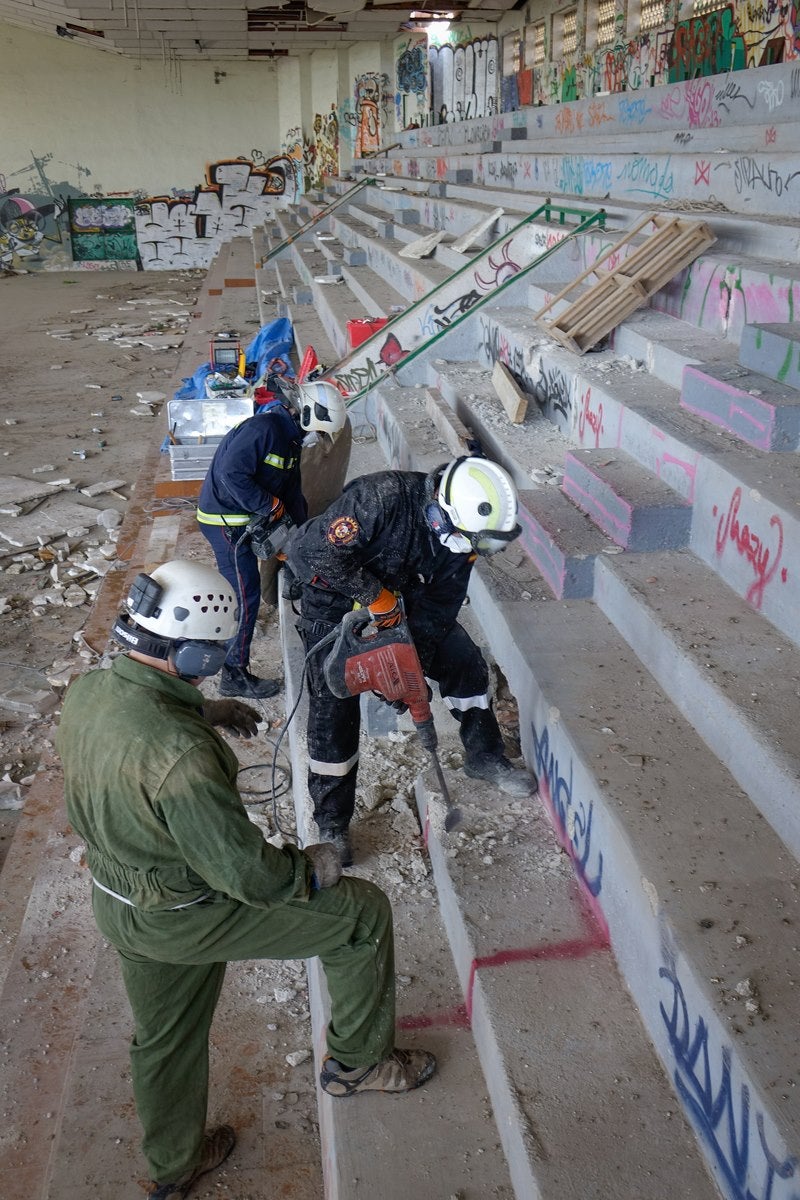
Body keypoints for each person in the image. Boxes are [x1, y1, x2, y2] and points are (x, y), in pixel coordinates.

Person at [56, 559, 436, 1200]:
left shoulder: (89, 693)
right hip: (184, 911)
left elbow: (137, 725)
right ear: (199, 656)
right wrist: (308, 871)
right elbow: (246, 875)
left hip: (120, 902)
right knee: (362, 915)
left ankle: (174, 1167)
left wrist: (201, 712)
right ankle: (358, 1063)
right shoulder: (184, 763)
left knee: (165, 1037)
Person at [285, 456, 538, 866]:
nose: (477, 549)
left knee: (465, 663)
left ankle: (485, 756)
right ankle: (332, 822)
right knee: (333, 709)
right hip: (331, 604)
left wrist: (408, 666)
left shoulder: (464, 538)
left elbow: (441, 604)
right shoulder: (382, 498)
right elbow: (313, 554)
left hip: (404, 603)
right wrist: (377, 599)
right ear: (445, 512)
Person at [197, 380, 347, 699]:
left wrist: (302, 539)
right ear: (307, 414)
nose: (317, 437)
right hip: (225, 521)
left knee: (258, 577)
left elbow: (292, 493)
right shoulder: (263, 430)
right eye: (319, 430)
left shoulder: (290, 439)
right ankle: (233, 674)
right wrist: (270, 506)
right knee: (245, 593)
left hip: (244, 517)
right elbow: (230, 475)